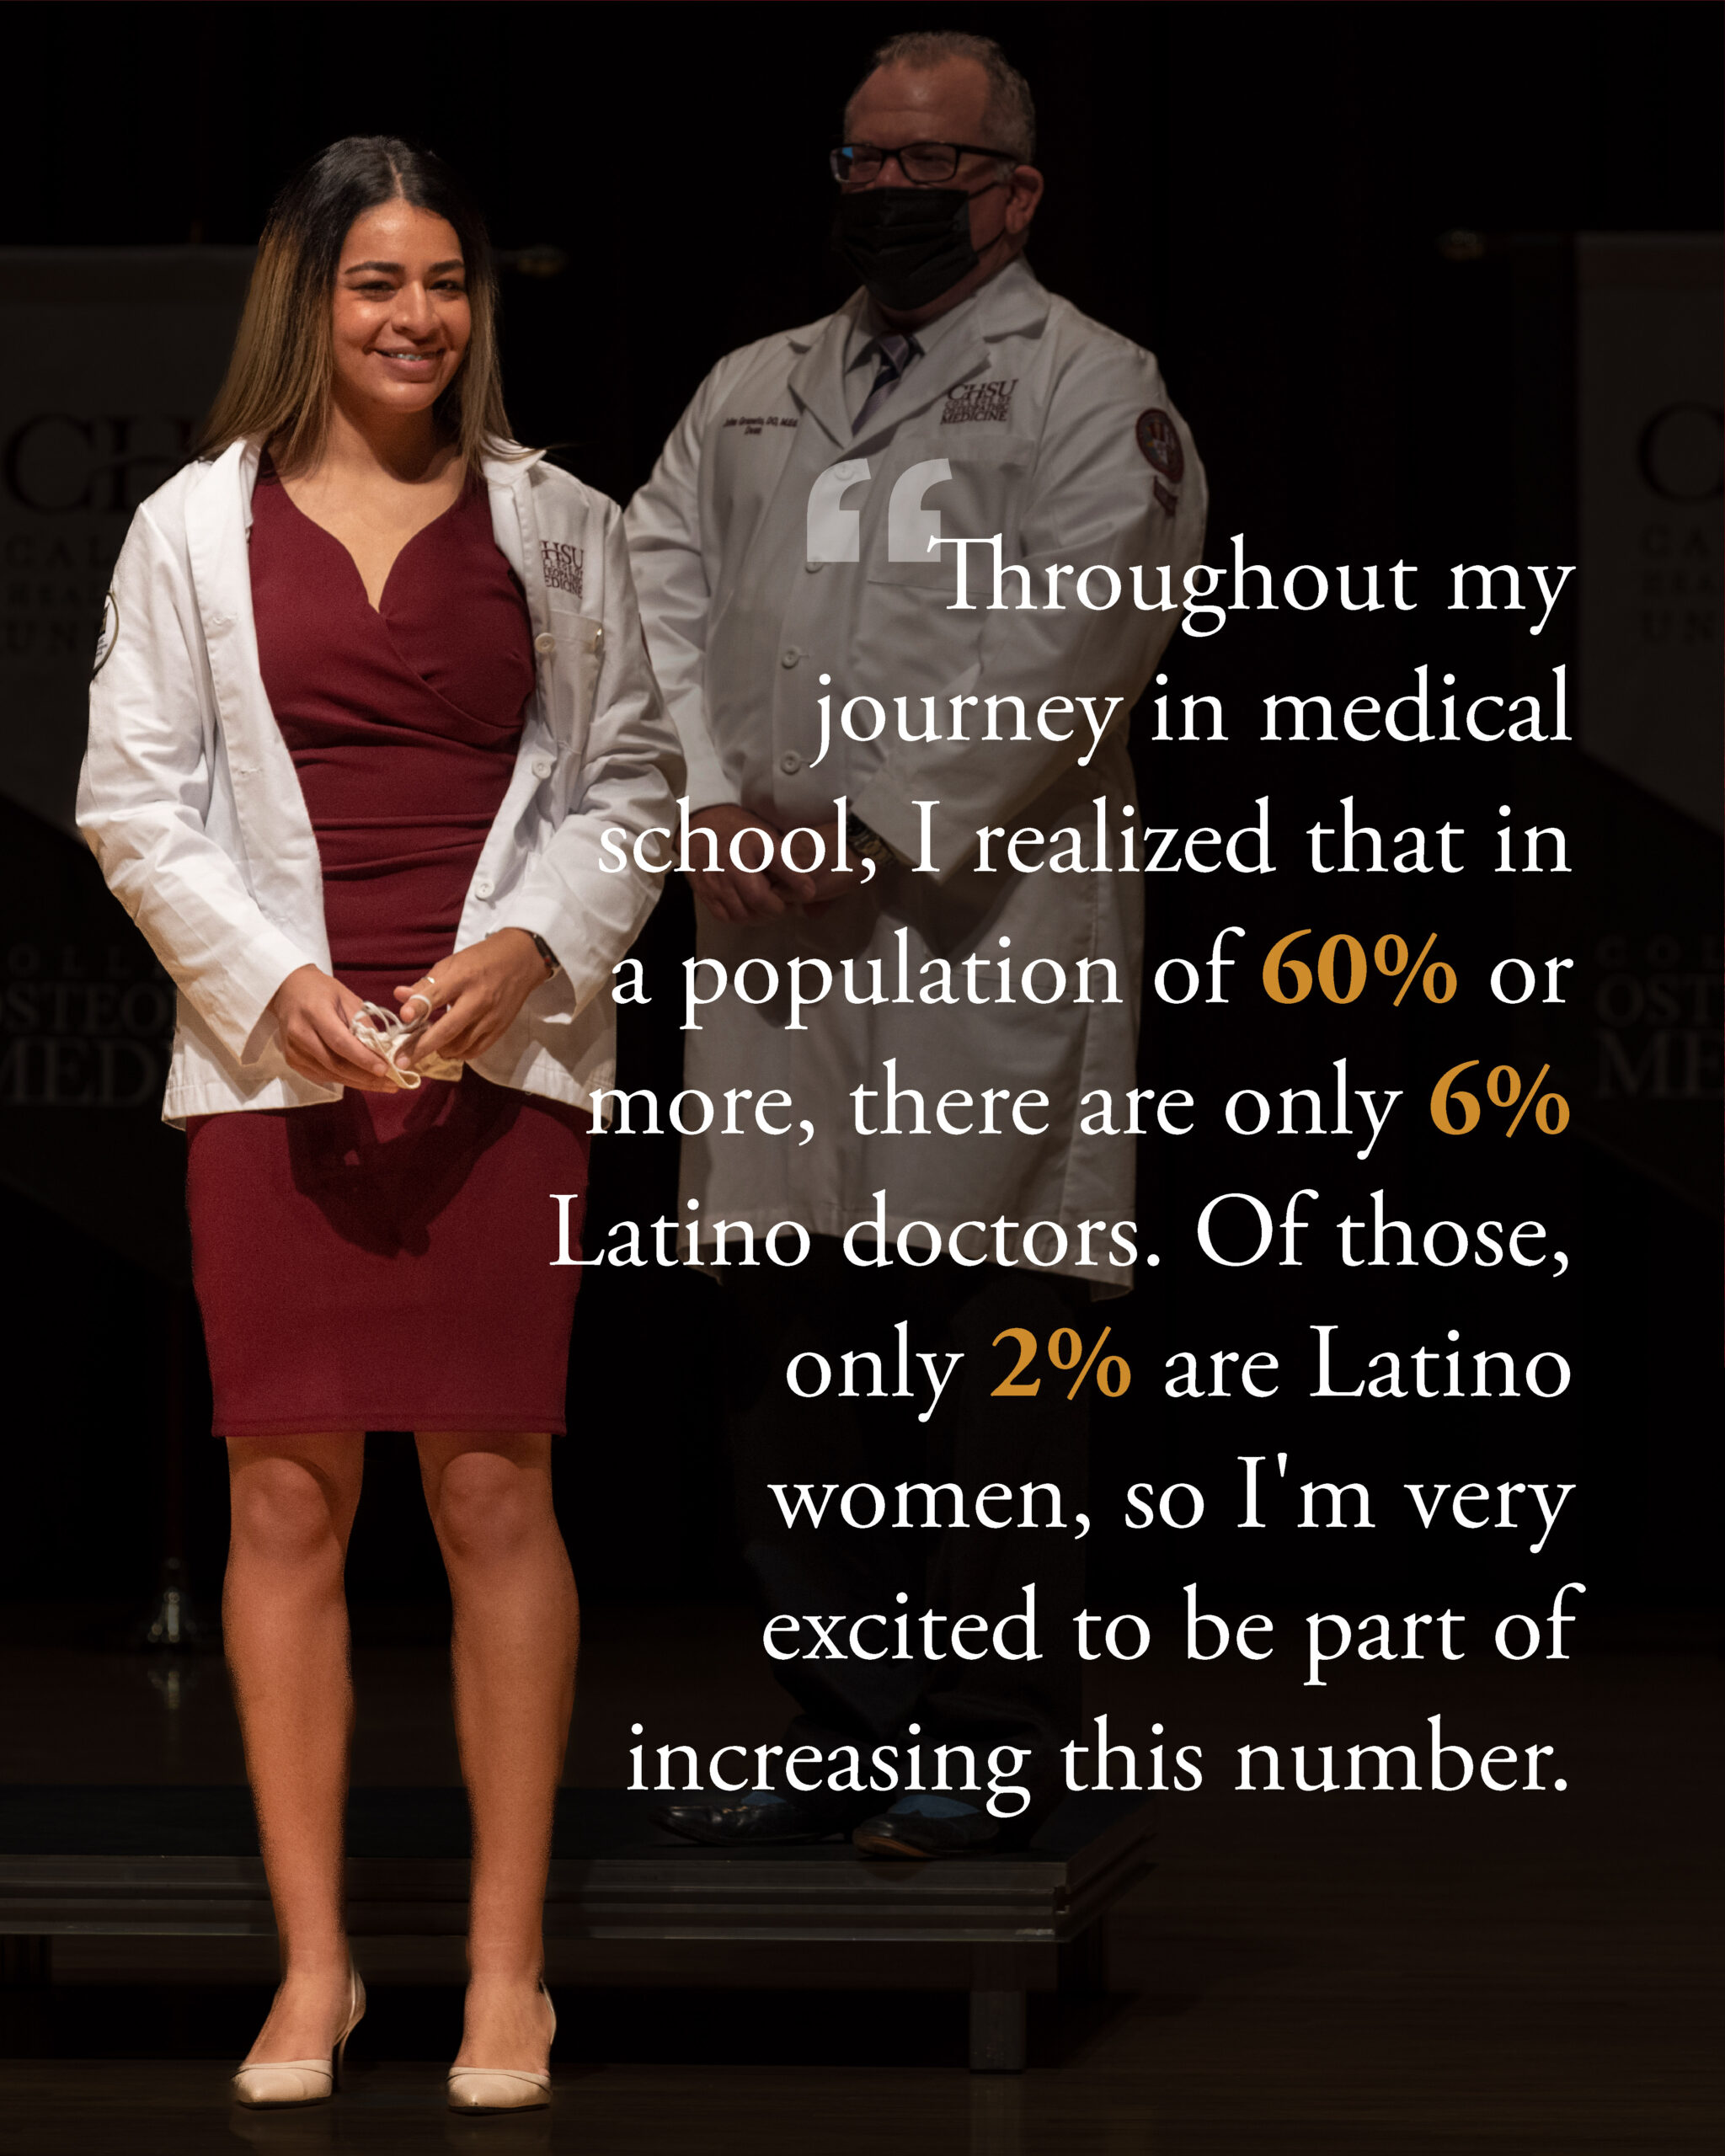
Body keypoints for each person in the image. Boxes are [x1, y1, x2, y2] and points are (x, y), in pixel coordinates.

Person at [77, 136, 681, 2110]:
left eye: (441, 283)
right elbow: (132, 796)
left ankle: (509, 1972)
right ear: (305, 301)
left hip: (495, 1062)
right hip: (284, 1066)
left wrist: (530, 943)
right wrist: (275, 988)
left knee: (494, 1487)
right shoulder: (188, 525)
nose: (414, 316)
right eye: (373, 284)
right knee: (285, 1495)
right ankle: (317, 1962)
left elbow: (638, 778)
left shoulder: (561, 522)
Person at [626, 32, 1206, 1856]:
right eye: (862, 164)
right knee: (792, 1359)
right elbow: (649, 593)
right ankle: (840, 1716)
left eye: (926, 167)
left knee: (989, 1365)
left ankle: (987, 1735)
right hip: (775, 949)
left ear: (1013, 191)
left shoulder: (1093, 387)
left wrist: (856, 814)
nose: (886, 195)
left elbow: (1079, 641)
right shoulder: (746, 392)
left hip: (976, 947)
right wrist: (717, 798)